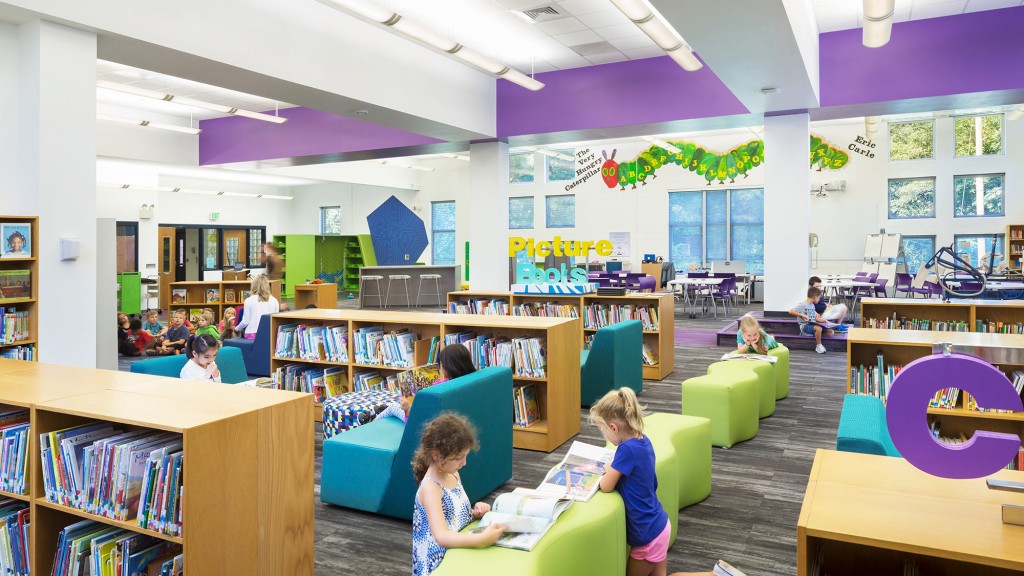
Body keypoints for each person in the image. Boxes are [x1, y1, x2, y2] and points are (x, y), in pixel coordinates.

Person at [590, 388, 746, 576]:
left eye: (602, 430)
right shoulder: (642, 440)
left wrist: (608, 469)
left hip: (646, 535)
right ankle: (717, 574)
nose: (604, 435)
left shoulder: (626, 451)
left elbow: (606, 486)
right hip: (660, 525)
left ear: (614, 428)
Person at [411, 413, 505, 576]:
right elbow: (441, 537)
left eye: (465, 456)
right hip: (439, 564)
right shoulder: (430, 488)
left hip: (458, 551)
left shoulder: (453, 474)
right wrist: (481, 539)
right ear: (437, 456)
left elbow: (454, 515)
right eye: (458, 458)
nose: (464, 463)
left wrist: (475, 513)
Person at [367, 343, 478, 425]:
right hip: (457, 420)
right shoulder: (472, 380)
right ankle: (378, 412)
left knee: (393, 407)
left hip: (422, 420)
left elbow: (418, 421)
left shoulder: (439, 391)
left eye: (441, 364)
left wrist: (408, 409)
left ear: (447, 367)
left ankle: (370, 423)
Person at [789, 286, 834, 354]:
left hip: (812, 324)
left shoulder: (812, 305)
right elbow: (790, 311)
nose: (819, 299)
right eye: (819, 297)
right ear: (815, 297)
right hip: (805, 325)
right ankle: (818, 346)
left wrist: (824, 321)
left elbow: (815, 318)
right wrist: (802, 315)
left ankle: (813, 334)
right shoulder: (802, 304)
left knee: (831, 332)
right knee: (818, 329)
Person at [235, 275, 279, 339]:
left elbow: (245, 322)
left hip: (252, 334)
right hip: (269, 334)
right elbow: (275, 321)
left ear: (253, 286)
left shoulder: (249, 300)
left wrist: (236, 329)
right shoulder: (274, 300)